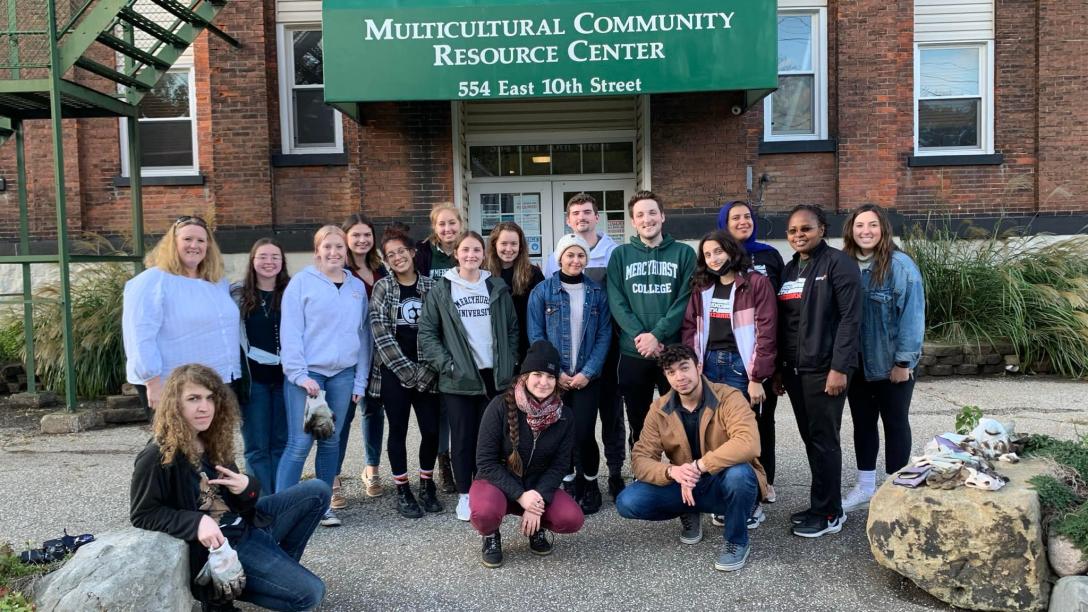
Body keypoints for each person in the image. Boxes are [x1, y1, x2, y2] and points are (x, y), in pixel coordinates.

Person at [130, 364, 328, 611]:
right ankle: (224, 594)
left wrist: (247, 487)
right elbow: (143, 513)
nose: (204, 407)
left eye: (210, 398)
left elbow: (241, 504)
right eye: (193, 399)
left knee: (318, 491)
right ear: (175, 404)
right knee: (310, 594)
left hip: (248, 525)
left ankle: (275, 568)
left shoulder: (211, 440)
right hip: (225, 545)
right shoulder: (157, 455)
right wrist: (195, 522)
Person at [615, 345, 764, 572]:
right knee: (628, 502)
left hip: (720, 482)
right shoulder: (660, 408)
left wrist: (699, 466)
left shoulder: (728, 397)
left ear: (699, 367)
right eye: (671, 372)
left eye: (684, 368)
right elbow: (640, 458)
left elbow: (748, 442)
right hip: (684, 483)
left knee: (740, 476)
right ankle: (688, 509)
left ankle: (736, 540)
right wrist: (671, 472)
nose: (679, 377)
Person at [774, 204, 862, 538]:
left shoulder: (839, 265)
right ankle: (818, 503)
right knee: (812, 440)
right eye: (793, 230)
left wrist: (839, 368)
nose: (799, 235)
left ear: (822, 229)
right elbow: (786, 323)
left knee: (824, 440)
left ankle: (829, 513)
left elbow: (851, 320)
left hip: (826, 370)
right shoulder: (789, 269)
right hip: (796, 370)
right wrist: (780, 369)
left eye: (806, 228)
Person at [419, 231, 519, 522]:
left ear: (483, 253)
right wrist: (446, 364)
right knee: (463, 438)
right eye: (465, 250)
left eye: (476, 250)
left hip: (494, 375)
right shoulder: (443, 289)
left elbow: (512, 328)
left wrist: (510, 360)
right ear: (457, 253)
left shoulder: (496, 285)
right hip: (459, 376)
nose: (471, 255)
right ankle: (465, 494)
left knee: (493, 439)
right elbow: (428, 333)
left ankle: (489, 490)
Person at [276, 225, 372, 528]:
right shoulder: (303, 284)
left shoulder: (355, 287)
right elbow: (290, 331)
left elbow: (364, 336)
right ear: (317, 250)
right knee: (301, 443)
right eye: (327, 247)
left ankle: (322, 506)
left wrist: (360, 380)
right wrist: (298, 374)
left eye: (339, 247)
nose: (333, 253)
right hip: (311, 376)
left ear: (347, 251)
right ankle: (282, 510)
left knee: (330, 442)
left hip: (342, 375)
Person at [682, 230, 777, 528]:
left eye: (718, 251)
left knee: (743, 436)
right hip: (709, 365)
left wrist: (757, 377)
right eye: (708, 254)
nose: (713, 258)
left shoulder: (755, 284)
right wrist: (693, 365)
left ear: (732, 251)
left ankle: (753, 502)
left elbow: (767, 331)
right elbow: (690, 329)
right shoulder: (702, 288)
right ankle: (725, 497)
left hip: (741, 367)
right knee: (715, 434)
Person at [470, 340, 584, 568]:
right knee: (484, 512)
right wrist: (521, 496)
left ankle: (537, 526)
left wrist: (537, 503)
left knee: (571, 519)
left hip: (537, 484)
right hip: (498, 484)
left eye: (550, 377)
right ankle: (491, 536)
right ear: (524, 377)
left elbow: (560, 465)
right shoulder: (500, 406)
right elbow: (485, 462)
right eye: (538, 375)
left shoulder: (564, 416)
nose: (544, 382)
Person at [841, 204, 925, 511]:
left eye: (872, 225)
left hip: (892, 365)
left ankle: (895, 490)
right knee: (863, 424)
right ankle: (865, 487)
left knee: (894, 422)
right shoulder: (845, 264)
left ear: (883, 229)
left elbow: (913, 317)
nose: (866, 231)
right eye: (860, 225)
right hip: (857, 363)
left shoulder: (900, 266)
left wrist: (904, 362)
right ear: (851, 229)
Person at [544, 192, 626, 497]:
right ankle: (580, 474)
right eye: (576, 213)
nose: (582, 217)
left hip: (609, 348)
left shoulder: (615, 253)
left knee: (611, 415)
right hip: (573, 354)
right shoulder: (556, 257)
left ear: (596, 216)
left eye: (587, 212)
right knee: (578, 420)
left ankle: (615, 471)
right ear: (568, 219)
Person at [527, 234, 612, 514]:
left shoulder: (596, 292)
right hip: (555, 379)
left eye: (581, 256)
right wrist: (555, 373)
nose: (575, 260)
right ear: (560, 258)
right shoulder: (542, 291)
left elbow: (603, 335)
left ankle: (589, 483)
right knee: (557, 432)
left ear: (587, 259)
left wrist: (588, 372)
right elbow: (536, 335)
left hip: (587, 378)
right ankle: (567, 481)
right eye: (570, 255)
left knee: (585, 433)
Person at [123, 215, 240, 413]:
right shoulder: (152, 281)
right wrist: (152, 382)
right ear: (172, 243)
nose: (194, 245)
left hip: (218, 381)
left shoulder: (216, 283)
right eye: (187, 239)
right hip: (173, 384)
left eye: (201, 241)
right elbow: (139, 335)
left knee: (210, 443)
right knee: (172, 442)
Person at [606, 190, 696, 445]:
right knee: (638, 418)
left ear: (663, 216)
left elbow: (685, 300)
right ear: (633, 222)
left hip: (672, 351)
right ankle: (642, 471)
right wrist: (642, 337)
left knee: (678, 416)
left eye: (652, 212)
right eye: (640, 215)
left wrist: (657, 335)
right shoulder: (620, 255)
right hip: (634, 352)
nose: (647, 219)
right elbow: (617, 301)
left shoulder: (684, 253)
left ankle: (679, 470)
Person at [368, 228, 444, 518]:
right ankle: (402, 489)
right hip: (393, 373)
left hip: (428, 372)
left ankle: (427, 484)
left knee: (431, 430)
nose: (397, 257)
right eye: (391, 255)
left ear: (413, 253)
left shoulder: (432, 286)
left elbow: (440, 329)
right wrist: (408, 372)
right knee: (397, 431)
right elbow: (380, 333)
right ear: (386, 261)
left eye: (402, 251)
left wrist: (426, 370)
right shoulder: (383, 288)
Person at [718, 200, 786, 502]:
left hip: (764, 353)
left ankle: (765, 479)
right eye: (735, 218)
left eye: (747, 216)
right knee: (729, 424)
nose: (743, 221)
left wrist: (776, 364)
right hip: (727, 358)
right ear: (725, 224)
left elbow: (781, 308)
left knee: (762, 420)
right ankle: (733, 483)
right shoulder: (718, 258)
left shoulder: (770, 256)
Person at [230, 238, 290, 497]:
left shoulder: (293, 291)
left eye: (274, 257)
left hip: (286, 379)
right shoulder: (236, 294)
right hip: (254, 380)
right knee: (256, 445)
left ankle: (281, 497)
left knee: (281, 443)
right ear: (253, 261)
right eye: (262, 257)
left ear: (282, 262)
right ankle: (259, 499)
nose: (269, 262)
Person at [337, 214, 388, 505]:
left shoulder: (379, 269)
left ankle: (372, 469)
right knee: (342, 416)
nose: (361, 240)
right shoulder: (339, 270)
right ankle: (333, 479)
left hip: (378, 352)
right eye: (356, 235)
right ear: (345, 238)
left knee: (373, 411)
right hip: (349, 352)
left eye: (367, 235)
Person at [413, 203, 463, 493]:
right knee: (441, 408)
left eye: (452, 223)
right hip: (433, 335)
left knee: (460, 406)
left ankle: (463, 459)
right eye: (442, 224)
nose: (448, 229)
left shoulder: (469, 247)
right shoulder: (423, 254)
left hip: (462, 336)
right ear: (435, 227)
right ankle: (443, 462)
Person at [485, 222, 545, 364]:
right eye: (504, 243)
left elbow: (542, 314)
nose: (509, 249)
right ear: (494, 245)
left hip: (525, 347)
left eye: (514, 244)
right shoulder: (482, 273)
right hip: (492, 347)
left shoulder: (533, 274)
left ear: (521, 246)